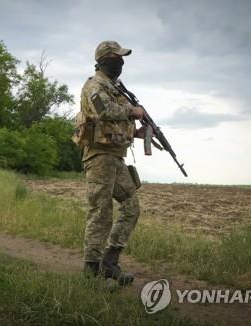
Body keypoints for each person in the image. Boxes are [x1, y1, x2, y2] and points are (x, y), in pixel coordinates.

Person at [80, 41, 145, 286]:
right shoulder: (94, 86)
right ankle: (91, 271)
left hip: (116, 157)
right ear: (105, 58)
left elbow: (113, 123)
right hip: (99, 157)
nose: (121, 62)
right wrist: (132, 111)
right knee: (101, 212)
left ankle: (109, 262)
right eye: (118, 57)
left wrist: (133, 133)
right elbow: (103, 111)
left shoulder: (115, 88)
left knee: (131, 206)